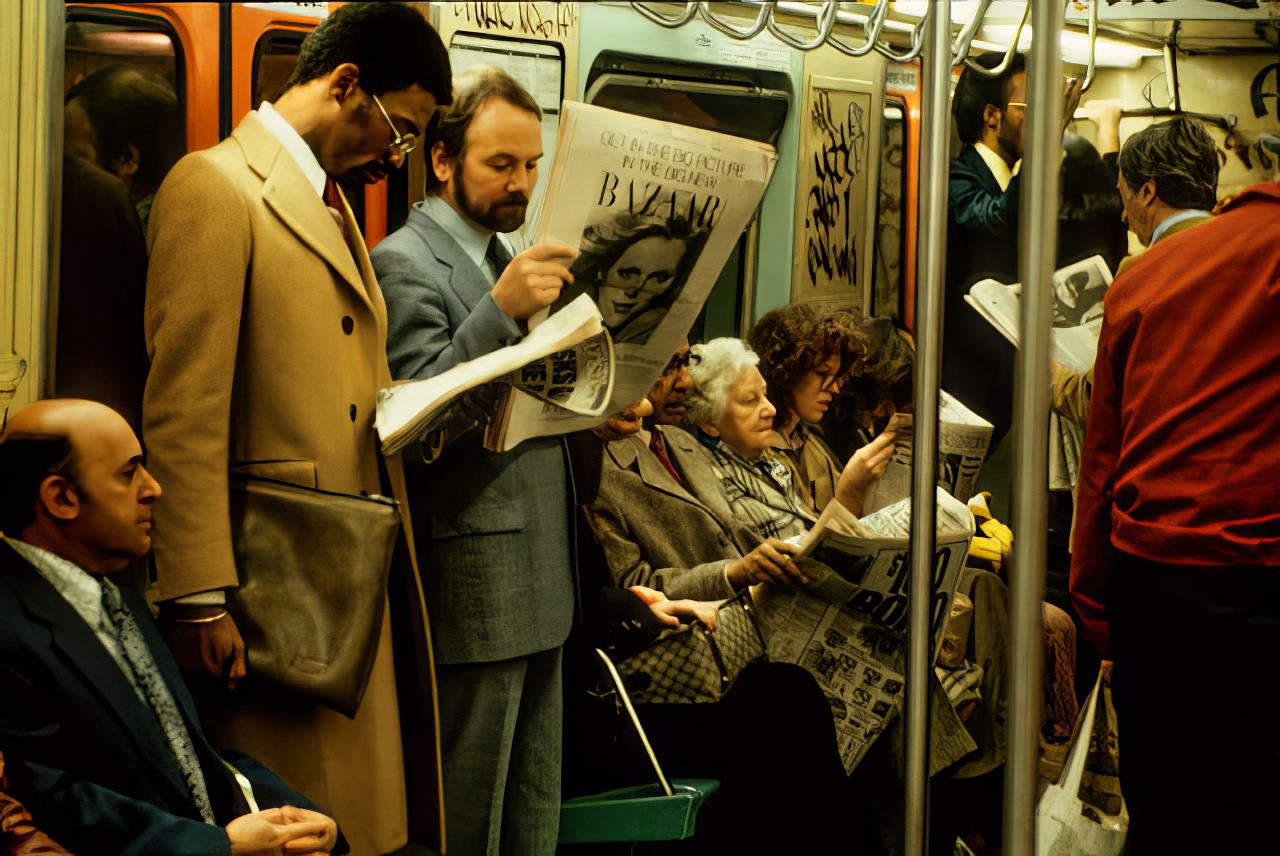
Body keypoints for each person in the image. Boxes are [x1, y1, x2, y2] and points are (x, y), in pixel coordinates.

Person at [141, 5, 452, 852]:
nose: (397, 157)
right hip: (278, 586)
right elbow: (183, 410)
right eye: (401, 129)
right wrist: (198, 596)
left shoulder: (332, 201)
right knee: (303, 820)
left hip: (345, 569)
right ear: (344, 83)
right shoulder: (214, 186)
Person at [370, 68, 577, 855]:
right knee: (467, 817)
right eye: (501, 165)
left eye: (531, 164)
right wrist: (500, 314)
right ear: (444, 160)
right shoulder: (406, 263)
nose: (521, 183)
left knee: (532, 819)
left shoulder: (504, 257)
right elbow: (416, 419)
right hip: (472, 580)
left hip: (538, 577)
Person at [0, 400, 340, 855]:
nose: (154, 489)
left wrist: (296, 817)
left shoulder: (119, 598)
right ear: (61, 497)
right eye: (129, 473)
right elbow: (46, 799)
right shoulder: (10, 622)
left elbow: (189, 751)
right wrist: (217, 847)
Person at [1070, 181, 1280, 853]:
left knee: (1167, 808)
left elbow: (1102, 460)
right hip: (1263, 578)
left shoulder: (1149, 274)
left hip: (1153, 583)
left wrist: (1096, 610)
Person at [584, 341, 810, 600]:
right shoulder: (598, 471)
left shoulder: (678, 439)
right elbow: (633, 587)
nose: (686, 382)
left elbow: (733, 531)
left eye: (684, 362)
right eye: (666, 366)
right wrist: (730, 574)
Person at [686, 337, 894, 542]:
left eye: (765, 395)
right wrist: (850, 492)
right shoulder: (718, 487)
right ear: (708, 423)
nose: (770, 409)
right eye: (750, 400)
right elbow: (799, 564)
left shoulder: (769, 460)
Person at [748, 304, 861, 511]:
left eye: (836, 377)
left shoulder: (813, 444)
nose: (835, 388)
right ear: (788, 370)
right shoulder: (753, 450)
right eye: (822, 373)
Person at [561, 212, 708, 344]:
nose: (635, 289)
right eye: (626, 274)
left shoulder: (660, 323)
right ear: (603, 270)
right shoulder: (564, 304)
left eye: (658, 278)